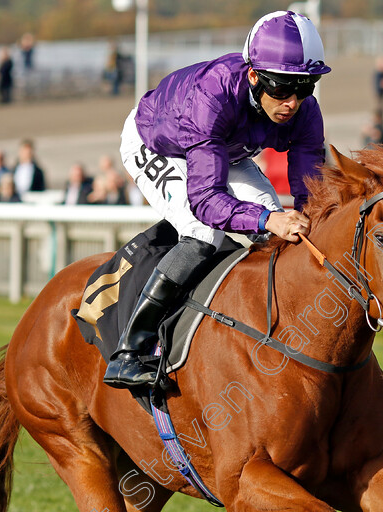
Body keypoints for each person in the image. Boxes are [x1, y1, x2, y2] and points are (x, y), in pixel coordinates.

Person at [104, 10, 330, 388]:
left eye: (303, 88)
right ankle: (130, 350)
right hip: (158, 144)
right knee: (203, 232)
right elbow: (207, 200)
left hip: (225, 149)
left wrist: (299, 222)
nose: (291, 102)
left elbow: (311, 191)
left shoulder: (305, 112)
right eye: (281, 88)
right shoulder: (213, 93)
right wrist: (265, 219)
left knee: (280, 228)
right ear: (255, 76)